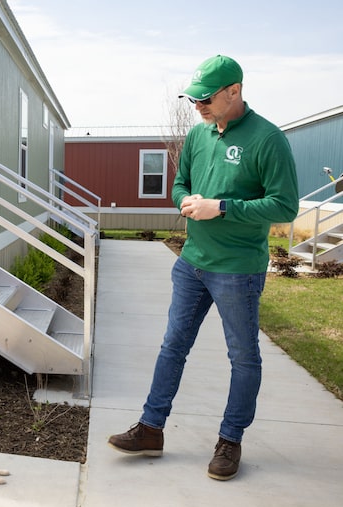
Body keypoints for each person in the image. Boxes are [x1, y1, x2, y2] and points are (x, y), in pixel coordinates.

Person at [107, 55, 299, 480]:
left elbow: (286, 205)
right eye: (193, 100)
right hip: (191, 264)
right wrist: (183, 201)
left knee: (243, 357)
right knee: (172, 347)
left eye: (206, 98)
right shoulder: (197, 134)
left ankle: (230, 441)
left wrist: (222, 208)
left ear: (235, 91)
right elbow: (180, 184)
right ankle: (151, 429)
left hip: (238, 270)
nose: (199, 106)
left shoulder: (268, 139)